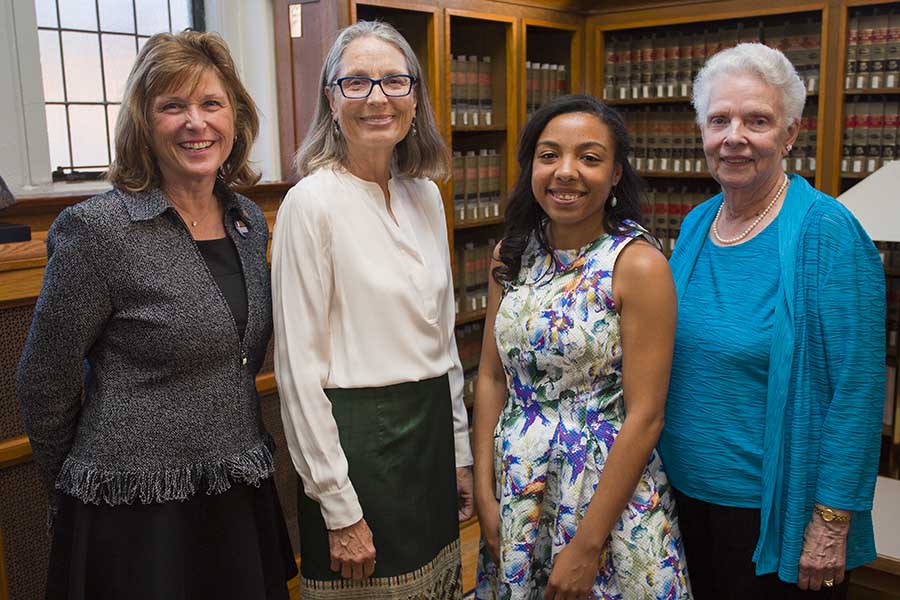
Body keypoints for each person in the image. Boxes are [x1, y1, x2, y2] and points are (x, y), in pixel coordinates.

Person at [16, 31, 297, 600]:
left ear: (235, 118)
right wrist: (74, 494)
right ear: (144, 123)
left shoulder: (247, 220)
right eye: (173, 106)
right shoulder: (98, 231)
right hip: (133, 515)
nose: (196, 122)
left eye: (210, 104)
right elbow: (43, 381)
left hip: (233, 493)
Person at [657, 43, 885, 599]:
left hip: (771, 513)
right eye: (719, 120)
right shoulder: (696, 223)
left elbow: (857, 391)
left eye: (756, 120)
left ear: (788, 134)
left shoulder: (827, 233)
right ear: (703, 133)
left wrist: (831, 522)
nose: (734, 136)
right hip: (678, 499)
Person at [271, 20, 473, 599]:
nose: (377, 98)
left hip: (429, 437)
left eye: (394, 81)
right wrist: (337, 506)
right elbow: (298, 375)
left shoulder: (425, 195)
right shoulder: (310, 204)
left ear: (415, 97)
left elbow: (442, 339)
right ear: (331, 99)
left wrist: (458, 452)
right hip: (359, 452)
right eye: (355, 83)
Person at [473, 94, 691, 600]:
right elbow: (489, 376)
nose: (565, 172)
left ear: (616, 173)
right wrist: (486, 493)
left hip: (603, 495)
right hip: (519, 486)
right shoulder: (510, 255)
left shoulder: (637, 265)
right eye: (549, 155)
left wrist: (587, 546)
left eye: (589, 158)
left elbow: (646, 416)